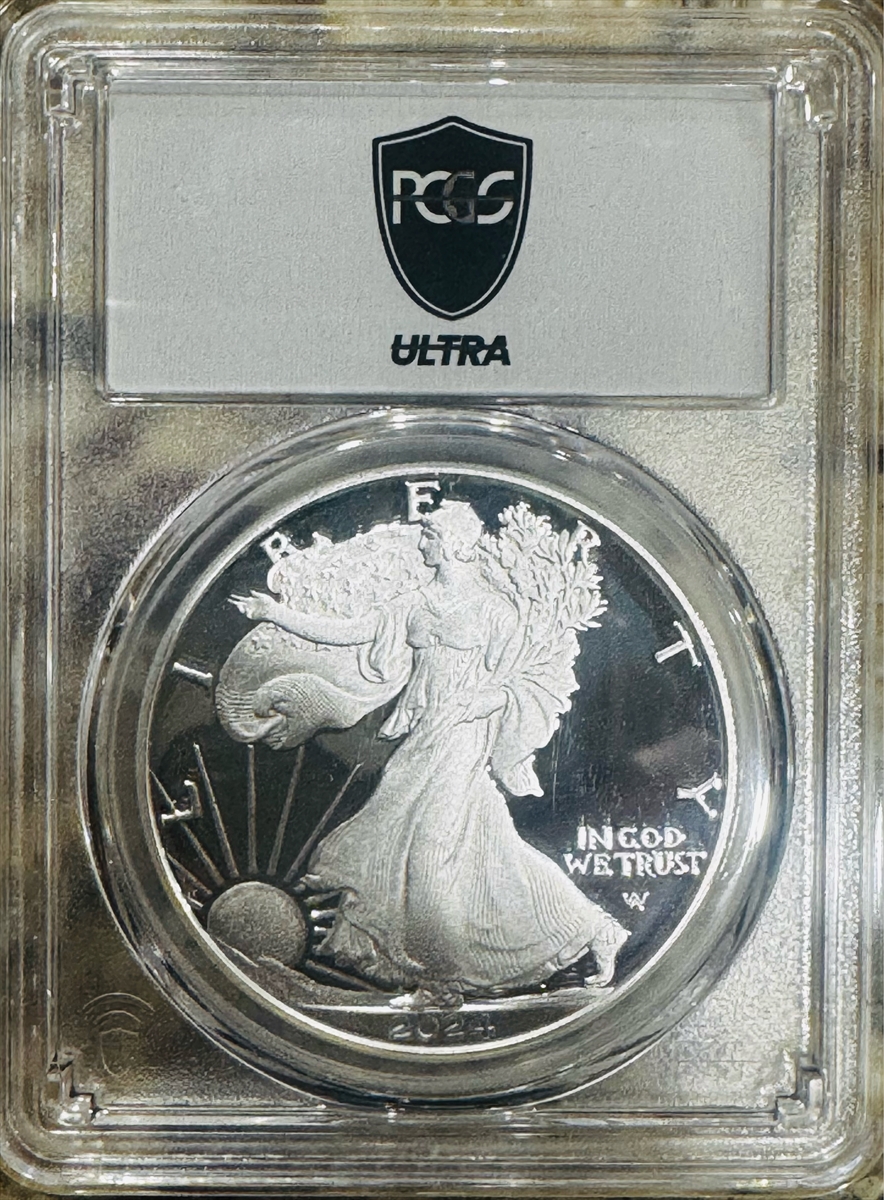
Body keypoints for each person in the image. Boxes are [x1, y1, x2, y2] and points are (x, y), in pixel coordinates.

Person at [232, 501, 627, 1007]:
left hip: (464, 736)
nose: (423, 544)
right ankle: (595, 927)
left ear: (457, 544)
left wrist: (489, 699)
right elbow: (352, 632)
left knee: (429, 854)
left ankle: (440, 983)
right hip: (423, 735)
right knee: (489, 851)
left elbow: (523, 679)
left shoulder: (495, 611)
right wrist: (274, 613)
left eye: (431, 536)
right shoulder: (414, 603)